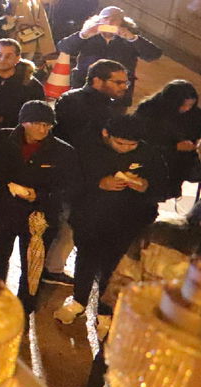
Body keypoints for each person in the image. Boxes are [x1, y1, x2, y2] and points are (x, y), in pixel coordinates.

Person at [54, 113, 165, 338]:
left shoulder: (150, 155)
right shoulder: (88, 149)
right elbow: (69, 182)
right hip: (90, 219)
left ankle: (105, 312)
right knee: (85, 261)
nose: (125, 148)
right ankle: (78, 301)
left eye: (131, 145)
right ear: (106, 134)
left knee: (113, 270)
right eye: (120, 143)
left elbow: (166, 187)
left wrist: (146, 187)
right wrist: (99, 184)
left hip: (128, 224)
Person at [0, 101, 77, 312]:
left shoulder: (63, 152)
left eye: (47, 125)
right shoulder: (0, 140)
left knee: (32, 267)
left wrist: (38, 195)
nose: (43, 129)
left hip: (39, 219)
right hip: (3, 213)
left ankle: (24, 310)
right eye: (37, 123)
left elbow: (70, 187)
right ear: (23, 122)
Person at [57, 7, 162, 104]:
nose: (109, 22)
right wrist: (83, 35)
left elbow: (154, 55)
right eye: (105, 18)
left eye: (114, 19)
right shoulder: (89, 35)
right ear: (99, 20)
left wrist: (132, 38)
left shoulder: (129, 38)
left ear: (122, 22)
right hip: (85, 87)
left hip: (117, 92)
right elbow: (63, 48)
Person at [134, 80, 201, 200]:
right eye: (183, 105)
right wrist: (174, 147)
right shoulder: (148, 112)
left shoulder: (193, 114)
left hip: (178, 164)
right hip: (152, 163)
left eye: (190, 105)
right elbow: (140, 142)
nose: (186, 109)